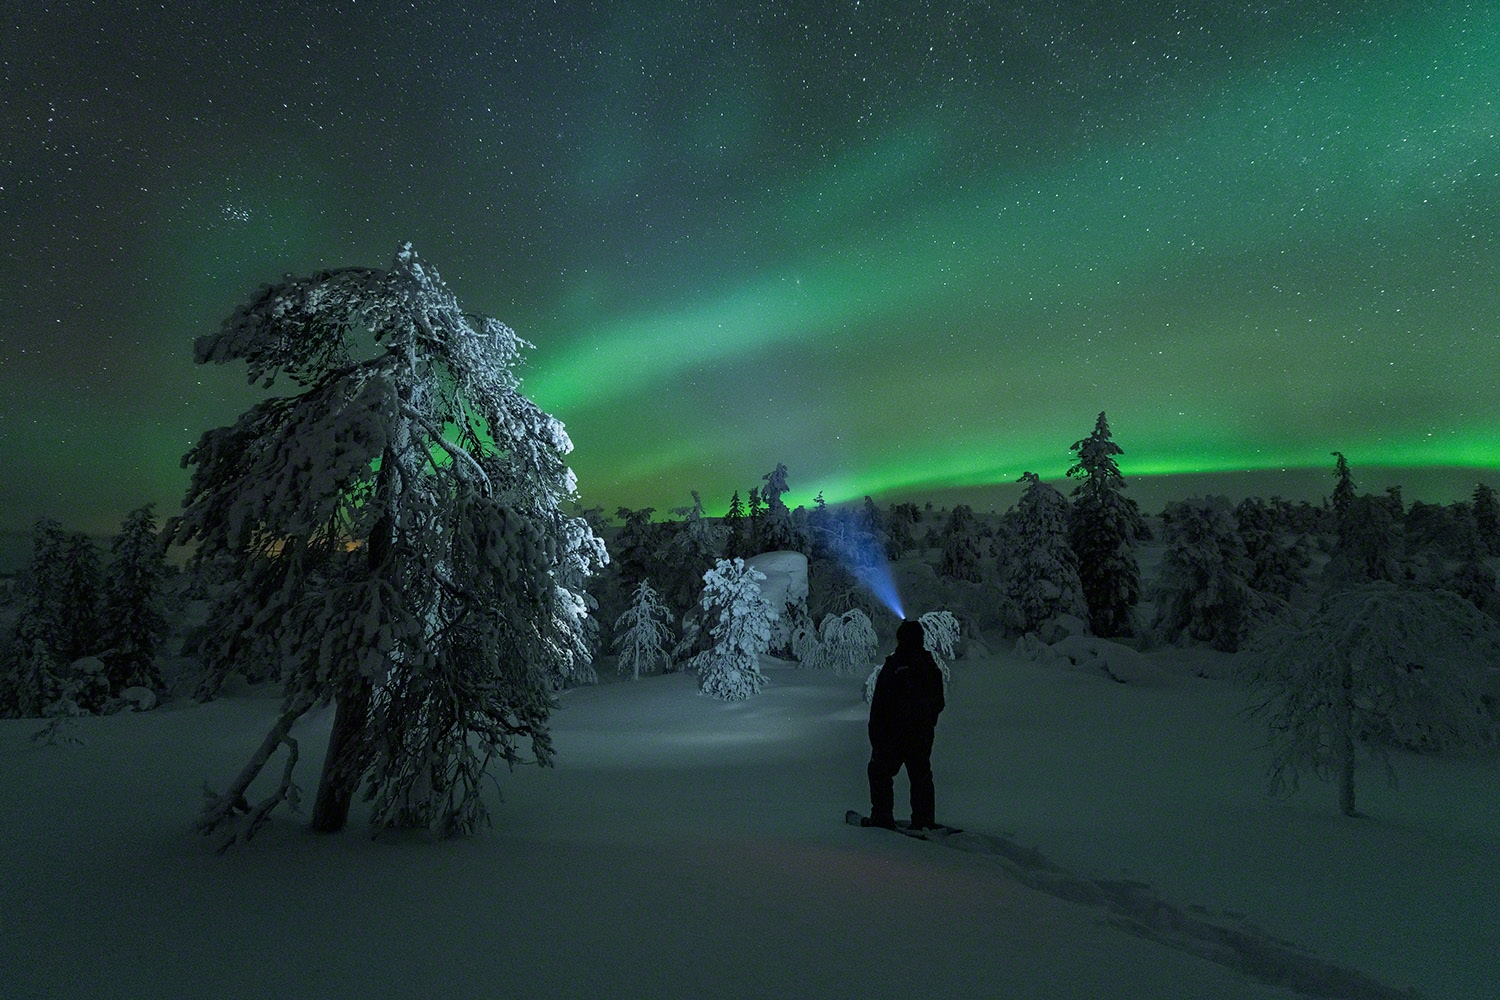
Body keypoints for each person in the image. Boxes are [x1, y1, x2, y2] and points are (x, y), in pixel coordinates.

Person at [864, 618, 945, 830]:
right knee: (921, 775)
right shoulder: (929, 666)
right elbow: (939, 702)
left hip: (895, 735)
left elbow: (880, 704)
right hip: (922, 735)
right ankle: (924, 819)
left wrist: (877, 737)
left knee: (879, 771)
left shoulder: (894, 667)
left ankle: (882, 816)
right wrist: (927, 722)